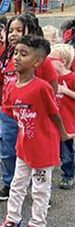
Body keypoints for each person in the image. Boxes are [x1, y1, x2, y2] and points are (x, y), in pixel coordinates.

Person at [0, 35, 72, 227]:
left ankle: (37, 225)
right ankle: (12, 220)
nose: (17, 58)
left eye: (23, 54)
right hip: (24, 148)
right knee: (17, 185)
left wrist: (63, 134)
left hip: (43, 151)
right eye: (16, 53)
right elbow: (12, 114)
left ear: (37, 62)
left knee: (40, 189)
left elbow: (54, 113)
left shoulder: (42, 87)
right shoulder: (12, 86)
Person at [0, 15, 58, 201]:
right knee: (7, 150)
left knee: (37, 152)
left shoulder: (40, 61)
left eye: (19, 30)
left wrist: (46, 108)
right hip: (9, 115)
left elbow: (52, 84)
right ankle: (9, 182)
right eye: (10, 30)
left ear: (30, 30)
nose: (13, 34)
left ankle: (41, 188)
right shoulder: (6, 58)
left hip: (33, 116)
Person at [49, 43, 75, 190]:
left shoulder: (72, 78)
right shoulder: (51, 78)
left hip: (67, 121)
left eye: (51, 59)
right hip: (53, 121)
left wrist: (65, 91)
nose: (48, 62)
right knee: (56, 148)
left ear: (62, 62)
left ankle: (68, 175)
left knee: (66, 150)